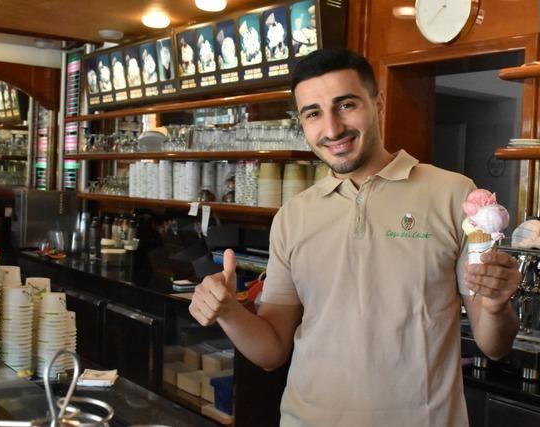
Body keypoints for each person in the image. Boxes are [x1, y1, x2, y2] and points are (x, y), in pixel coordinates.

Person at [189, 48, 521, 427]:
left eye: (346, 105)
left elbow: (495, 346)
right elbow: (272, 351)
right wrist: (228, 312)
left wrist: (497, 305)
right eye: (313, 114)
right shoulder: (293, 216)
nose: (332, 129)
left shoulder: (453, 194)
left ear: (377, 104)